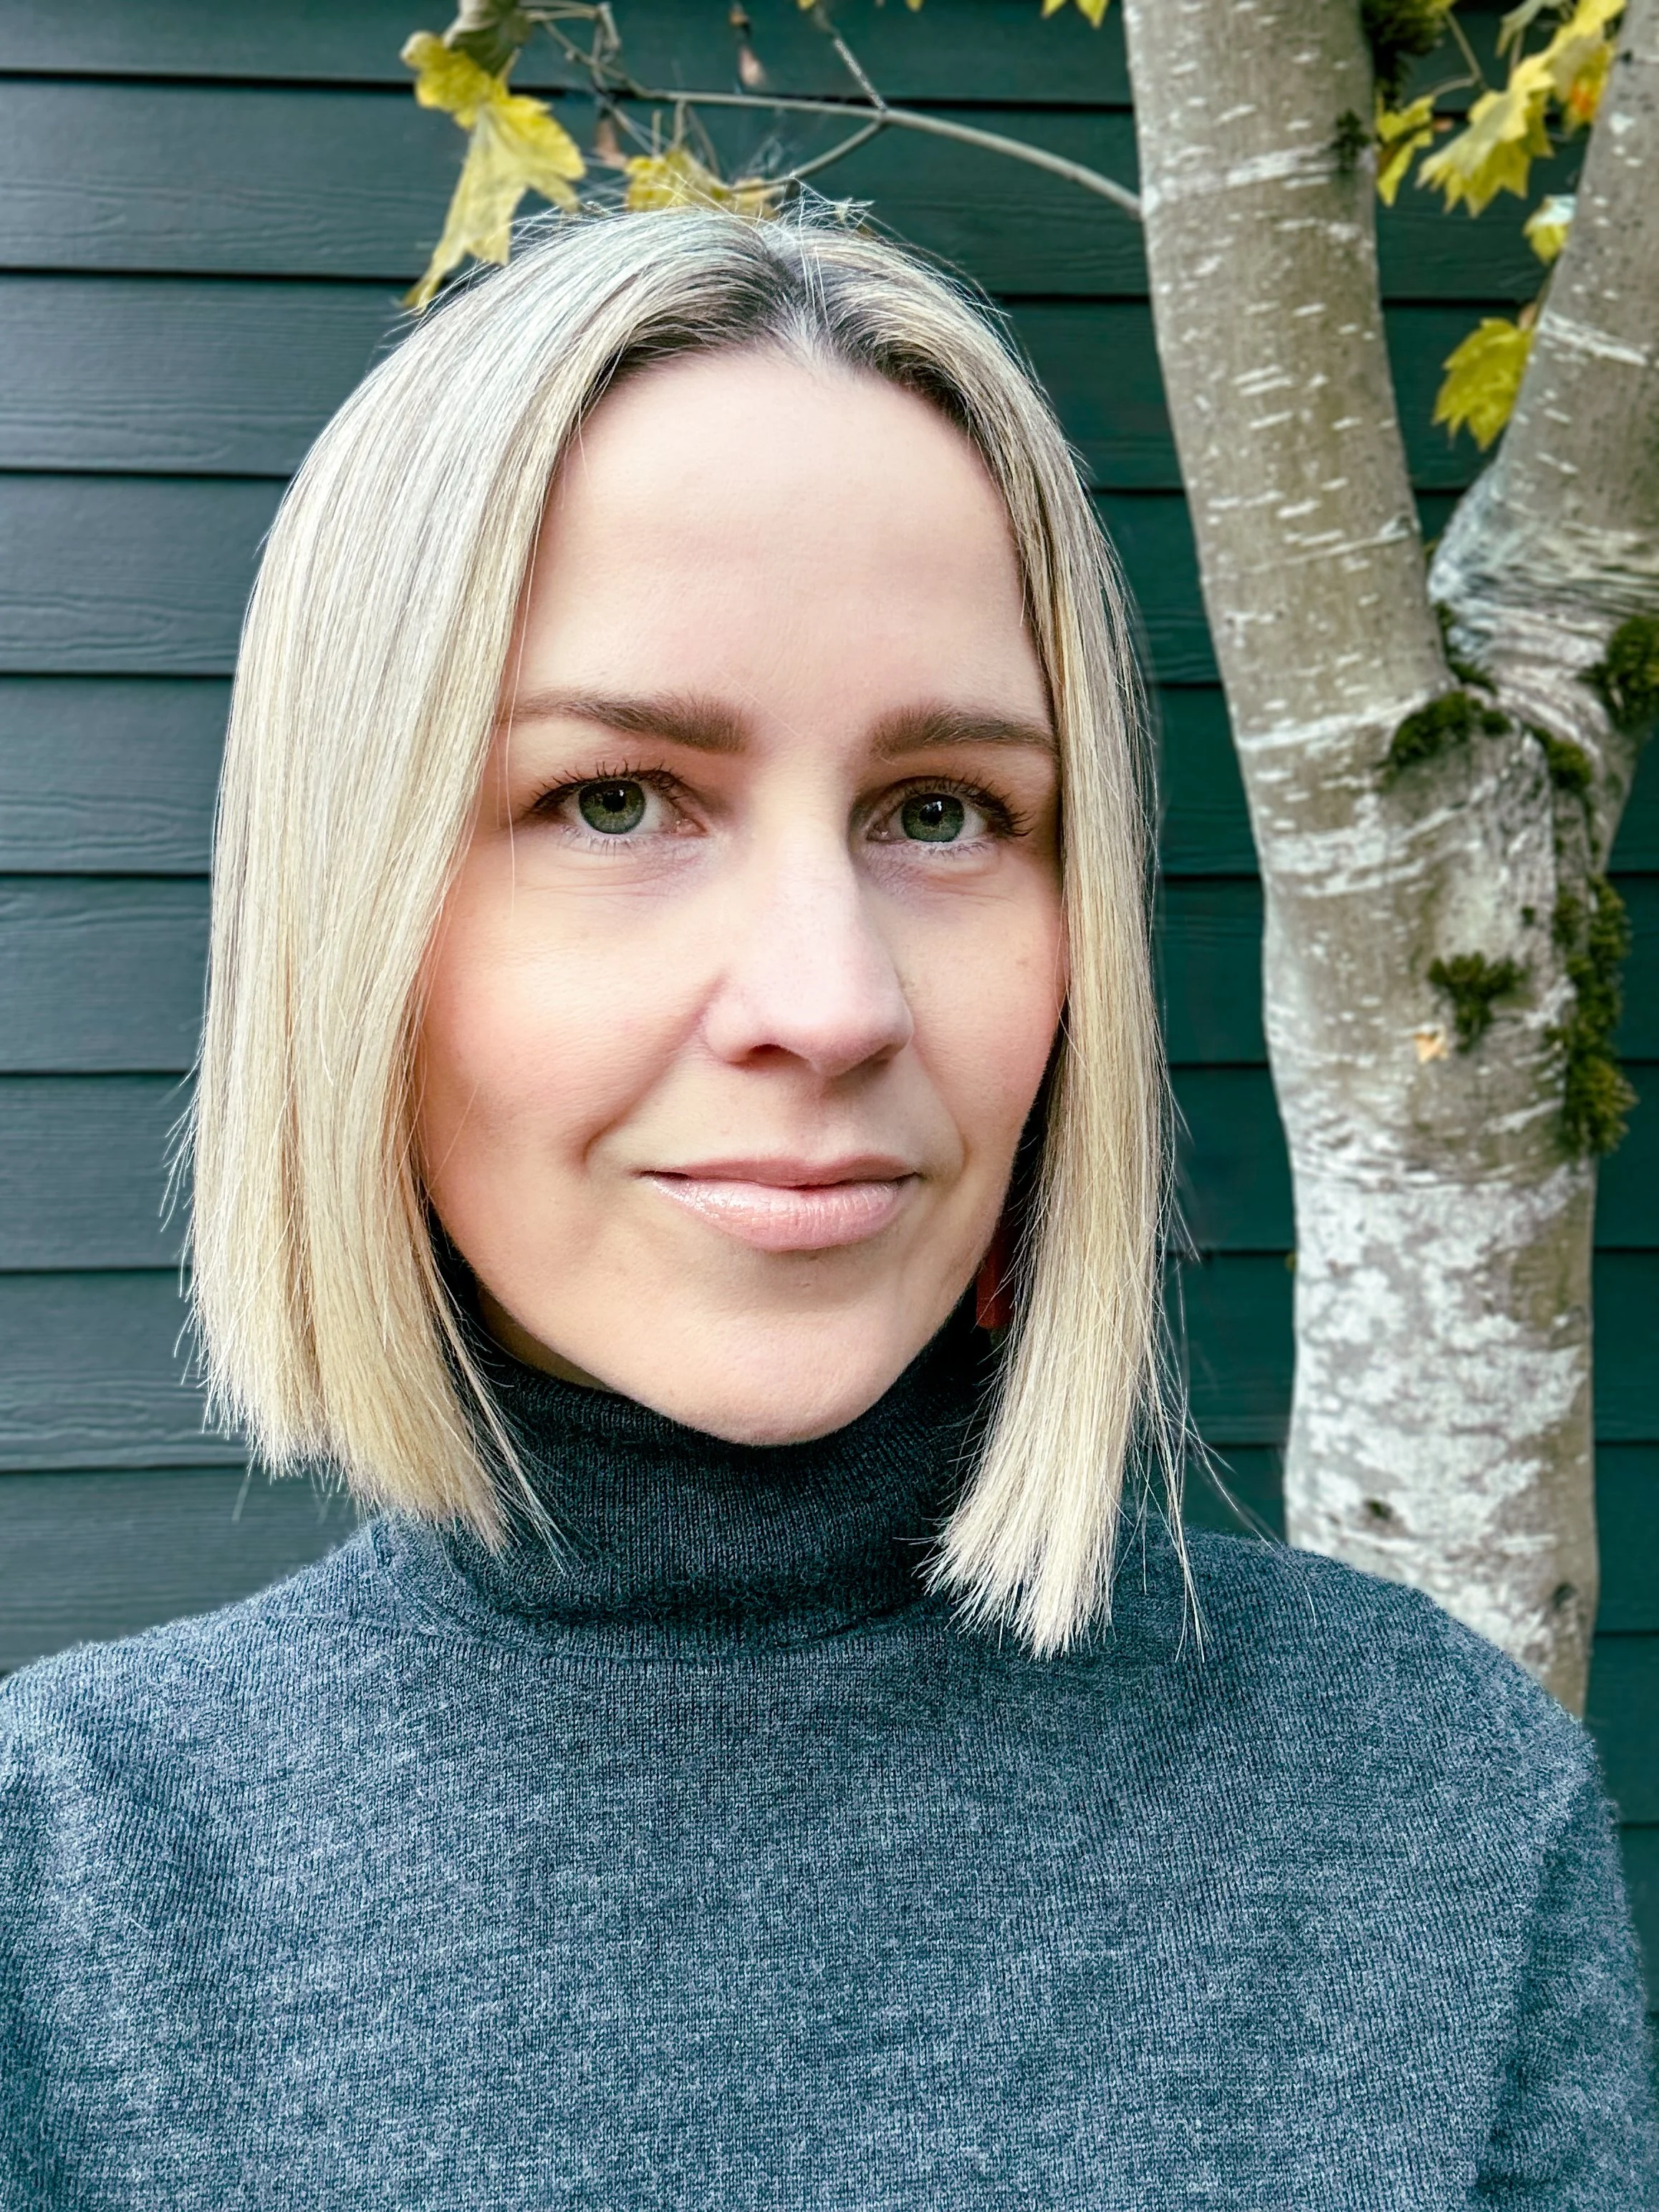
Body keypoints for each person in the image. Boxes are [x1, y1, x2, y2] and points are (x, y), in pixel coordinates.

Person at [1, 208, 1653, 2210]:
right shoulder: (68, 1893)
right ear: (356, 912)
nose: (830, 999)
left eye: (940, 814)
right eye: (615, 801)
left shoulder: (1425, 1818)